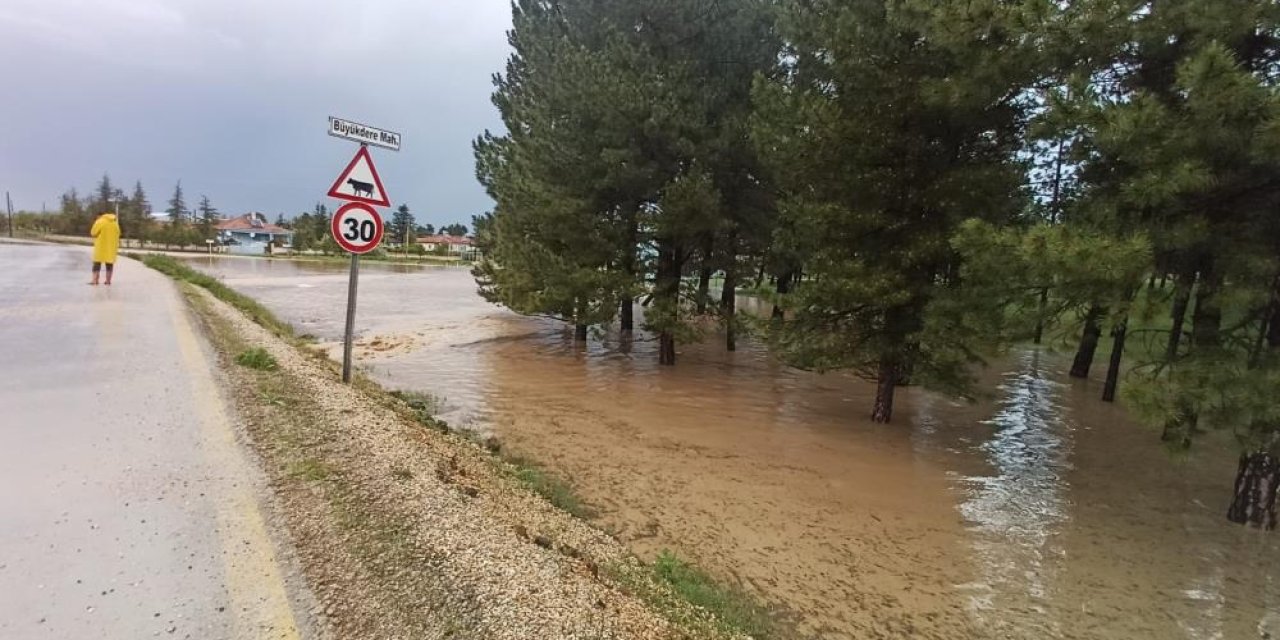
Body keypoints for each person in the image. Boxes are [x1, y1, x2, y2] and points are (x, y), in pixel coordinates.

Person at [90, 211, 121, 285]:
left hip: (100, 247)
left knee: (97, 264)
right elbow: (119, 233)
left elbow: (93, 233)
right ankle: (108, 281)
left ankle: (95, 280)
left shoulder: (99, 222)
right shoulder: (115, 223)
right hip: (111, 247)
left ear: (99, 216)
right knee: (109, 265)